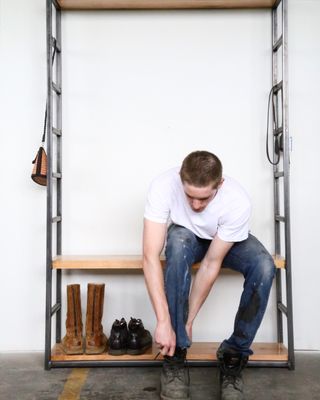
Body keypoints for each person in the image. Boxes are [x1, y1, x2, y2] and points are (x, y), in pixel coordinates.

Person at [142, 150, 276, 400]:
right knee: (178, 246)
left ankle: (234, 355)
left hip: (222, 240)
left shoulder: (237, 201)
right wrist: (164, 322)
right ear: (180, 180)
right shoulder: (163, 186)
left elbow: (211, 263)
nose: (195, 205)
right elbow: (149, 257)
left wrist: (188, 321)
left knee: (264, 266)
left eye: (203, 199)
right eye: (189, 196)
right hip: (185, 236)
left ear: (220, 184)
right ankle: (175, 356)